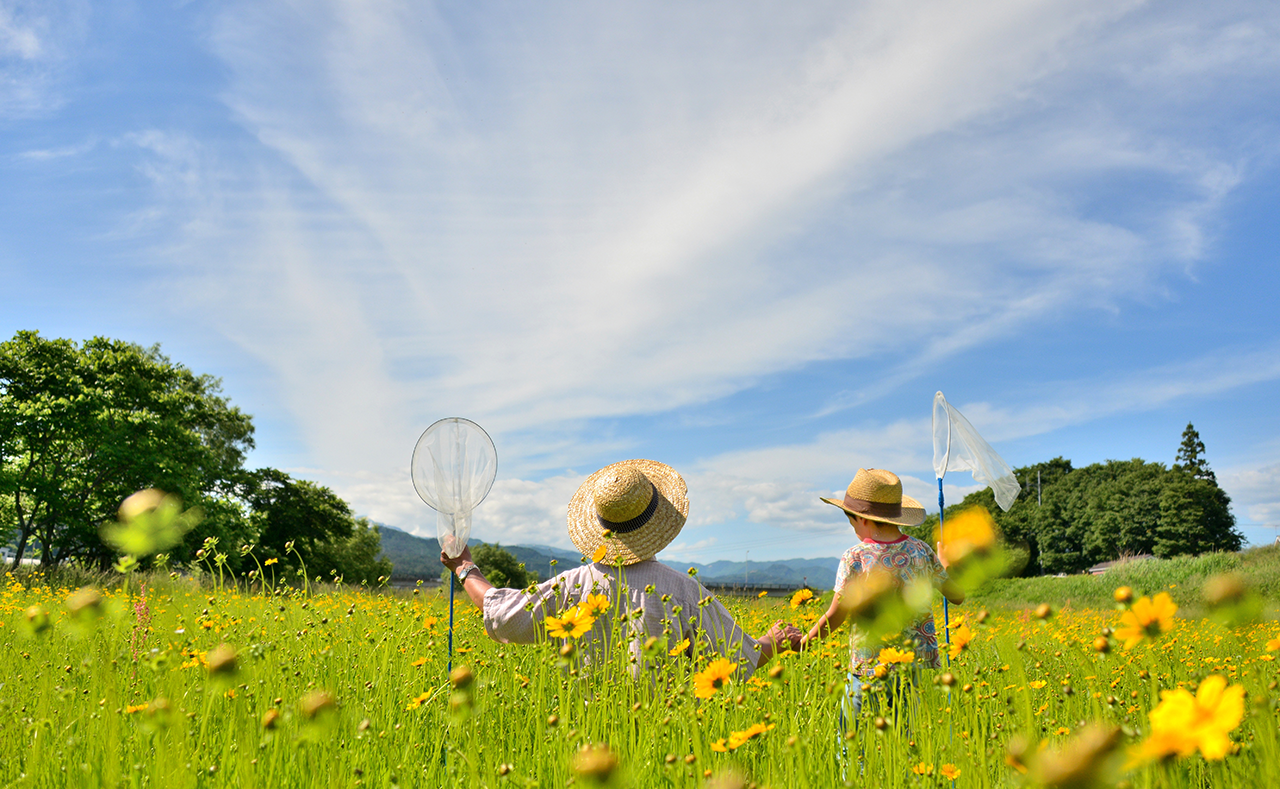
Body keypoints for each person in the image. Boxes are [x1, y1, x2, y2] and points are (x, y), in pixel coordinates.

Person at [441, 459, 803, 677]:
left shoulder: (572, 586)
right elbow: (742, 659)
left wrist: (464, 567)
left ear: (599, 524)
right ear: (658, 518)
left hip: (585, 745)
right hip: (664, 739)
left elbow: (502, 615)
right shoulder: (683, 592)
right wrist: (773, 641)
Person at [801, 468, 964, 709]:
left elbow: (838, 614)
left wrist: (806, 641)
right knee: (904, 737)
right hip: (911, 666)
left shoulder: (855, 557)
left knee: (853, 740)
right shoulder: (922, 551)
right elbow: (957, 596)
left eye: (852, 523)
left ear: (863, 519)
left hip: (867, 669)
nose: (854, 530)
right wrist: (946, 565)